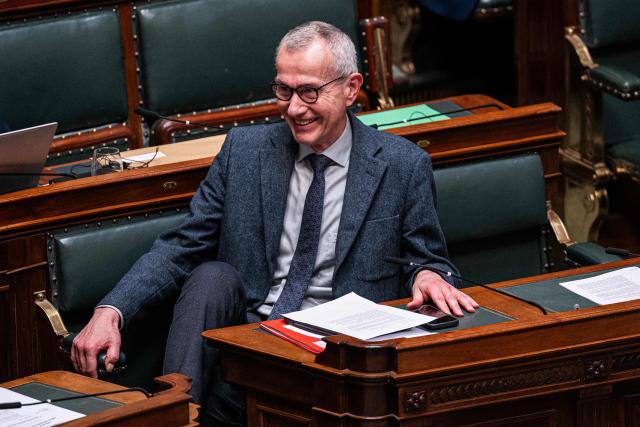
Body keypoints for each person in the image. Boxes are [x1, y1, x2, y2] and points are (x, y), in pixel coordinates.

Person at [72, 21, 479, 425]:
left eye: (309, 92)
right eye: (284, 90)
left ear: (351, 88)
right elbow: (183, 244)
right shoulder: (244, 152)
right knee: (211, 276)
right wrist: (112, 310)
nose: (294, 107)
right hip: (249, 349)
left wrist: (428, 274)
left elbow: (427, 261)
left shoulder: (402, 165)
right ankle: (179, 411)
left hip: (341, 358)